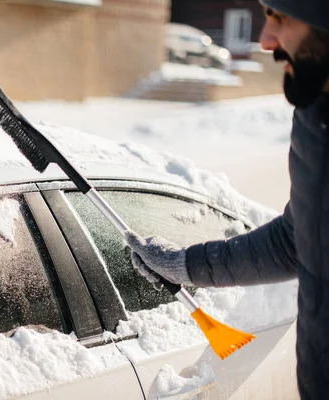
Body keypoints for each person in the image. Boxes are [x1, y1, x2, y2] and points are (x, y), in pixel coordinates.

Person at [125, 1, 329, 398]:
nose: (266, 39)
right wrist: (185, 265)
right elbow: (297, 239)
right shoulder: (315, 121)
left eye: (282, 17)